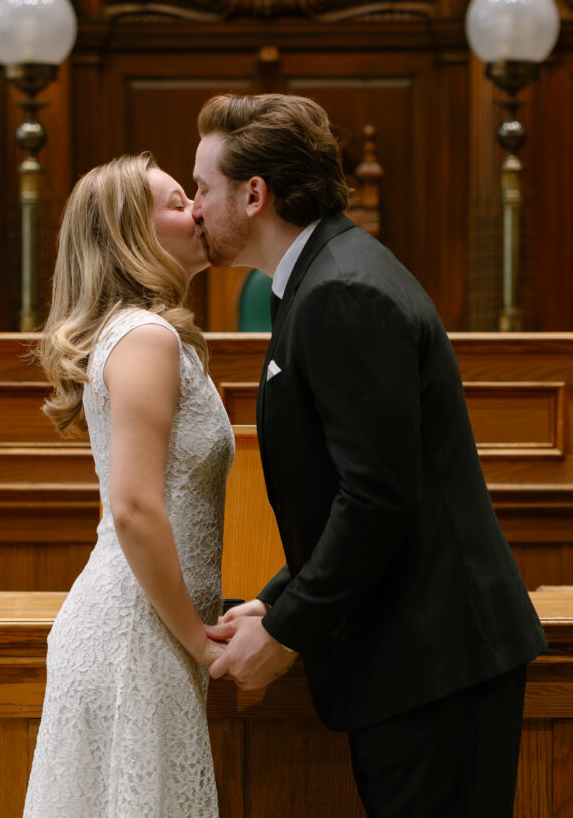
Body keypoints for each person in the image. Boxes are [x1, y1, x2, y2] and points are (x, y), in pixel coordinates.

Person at [193, 93, 548, 818]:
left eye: (202, 187)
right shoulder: (322, 276)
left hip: (434, 662)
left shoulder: (341, 290)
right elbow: (355, 487)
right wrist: (283, 593)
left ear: (254, 194)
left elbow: (380, 496)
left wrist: (287, 633)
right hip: (418, 656)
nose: (195, 207)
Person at [23, 154, 234, 818]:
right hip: (136, 636)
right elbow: (135, 508)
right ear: (128, 236)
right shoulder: (145, 337)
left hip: (148, 629)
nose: (196, 210)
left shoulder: (148, 334)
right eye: (176, 203)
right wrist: (198, 640)